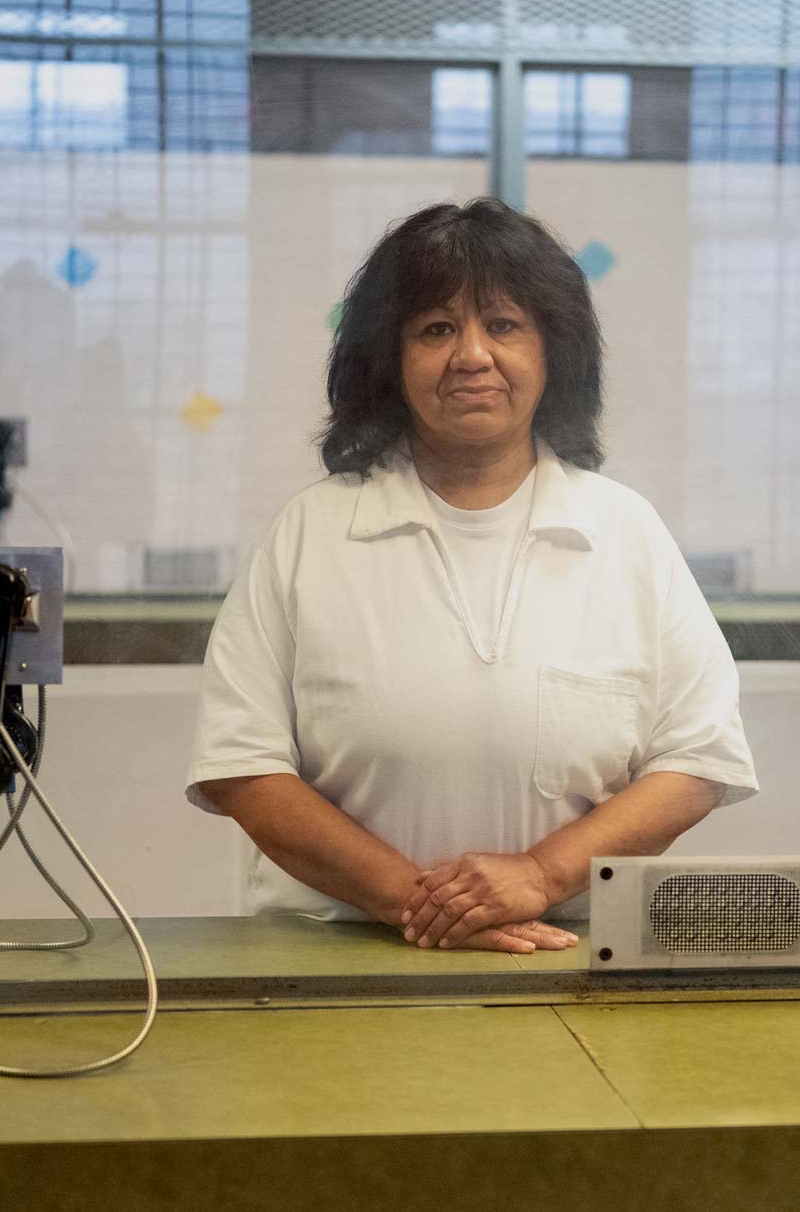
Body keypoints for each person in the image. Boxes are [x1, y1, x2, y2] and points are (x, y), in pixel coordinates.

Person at [184, 198, 759, 954]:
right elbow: (243, 768)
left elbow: (698, 759)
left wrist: (541, 876)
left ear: (555, 353)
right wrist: (423, 906)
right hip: (336, 957)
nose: (472, 356)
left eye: (505, 325)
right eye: (436, 329)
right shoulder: (308, 535)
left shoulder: (625, 533)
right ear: (389, 360)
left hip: (566, 953)